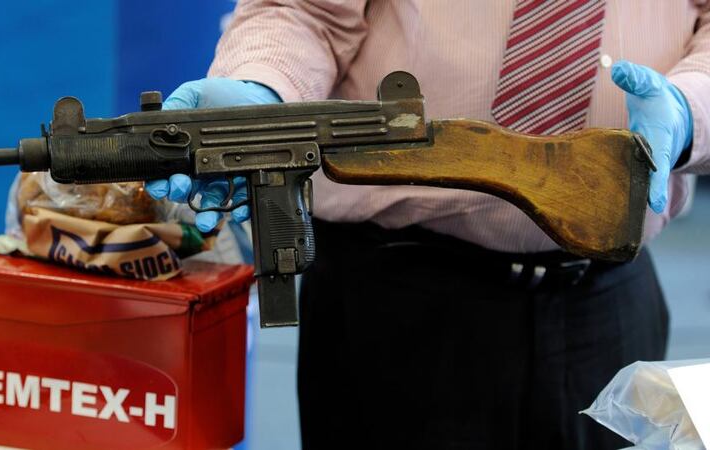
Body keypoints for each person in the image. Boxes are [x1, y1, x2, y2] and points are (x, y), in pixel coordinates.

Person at [145, 1, 710, 449]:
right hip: (395, 303)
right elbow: (304, 11)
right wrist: (261, 92)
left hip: (607, 299)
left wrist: (687, 111)